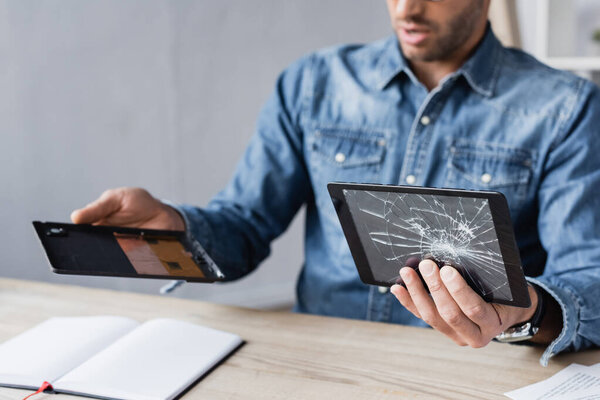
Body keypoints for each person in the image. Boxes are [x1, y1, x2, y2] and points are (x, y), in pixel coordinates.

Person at [71, 0, 600, 366]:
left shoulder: (565, 108)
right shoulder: (313, 83)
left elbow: (590, 277)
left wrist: (526, 309)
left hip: (473, 369)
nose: (406, 10)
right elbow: (245, 228)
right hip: (321, 365)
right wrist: (175, 227)